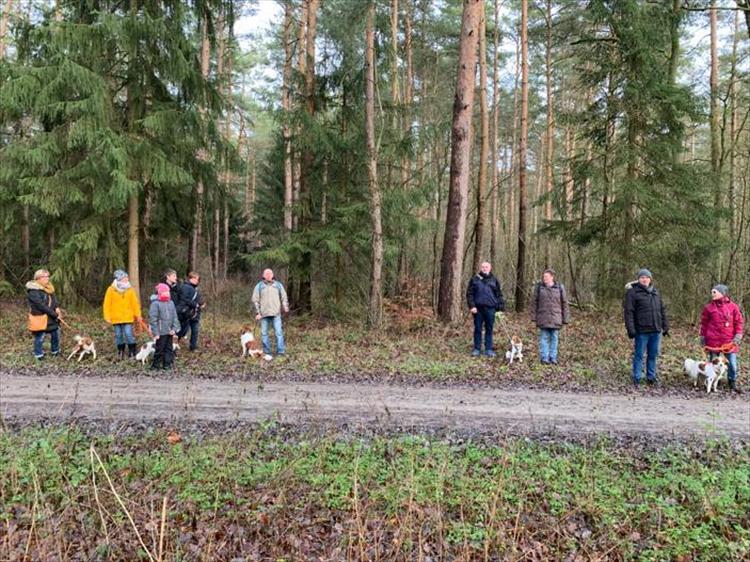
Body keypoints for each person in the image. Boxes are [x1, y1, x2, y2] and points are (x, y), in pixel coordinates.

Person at [623, 268, 669, 387]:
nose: (645, 279)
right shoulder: (632, 293)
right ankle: (637, 377)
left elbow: (662, 310)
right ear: (638, 279)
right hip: (641, 331)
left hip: (656, 330)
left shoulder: (655, 292)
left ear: (650, 279)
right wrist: (630, 329)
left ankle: (651, 377)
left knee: (653, 355)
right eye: (642, 277)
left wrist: (665, 326)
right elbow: (628, 312)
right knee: (639, 355)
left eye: (647, 277)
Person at [700, 284, 743, 393]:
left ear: (722, 293)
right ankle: (714, 381)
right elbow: (704, 324)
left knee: (732, 364)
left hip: (729, 342)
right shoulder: (708, 308)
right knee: (713, 363)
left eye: (715, 292)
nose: (712, 294)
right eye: (712, 292)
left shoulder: (733, 307)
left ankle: (732, 382)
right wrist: (703, 337)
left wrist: (738, 335)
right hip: (713, 342)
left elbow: (738, 322)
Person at [530, 269, 571, 365]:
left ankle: (553, 357)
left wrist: (565, 318)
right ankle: (544, 358)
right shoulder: (539, 287)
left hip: (556, 317)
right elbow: (534, 302)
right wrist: (533, 317)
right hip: (543, 317)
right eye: (544, 277)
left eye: (547, 277)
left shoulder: (560, 287)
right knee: (544, 338)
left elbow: (564, 303)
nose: (545, 278)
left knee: (554, 338)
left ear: (552, 277)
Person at [466, 261, 505, 357]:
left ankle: (489, 349)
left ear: (490, 268)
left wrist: (500, 307)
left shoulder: (494, 280)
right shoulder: (474, 279)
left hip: (491, 308)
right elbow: (469, 294)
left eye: (486, 267)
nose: (484, 268)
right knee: (478, 328)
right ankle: (477, 349)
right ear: (480, 268)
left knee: (489, 329)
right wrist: (472, 306)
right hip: (478, 309)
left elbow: (499, 294)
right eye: (483, 267)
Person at [102, 269, 142, 359]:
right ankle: (121, 351)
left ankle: (132, 351)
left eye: (127, 278)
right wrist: (107, 316)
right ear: (119, 279)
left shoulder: (130, 289)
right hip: (115, 317)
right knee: (118, 335)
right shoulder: (111, 290)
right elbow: (106, 304)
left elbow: (135, 303)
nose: (127, 279)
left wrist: (138, 314)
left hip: (128, 316)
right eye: (124, 278)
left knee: (128, 334)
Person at [252, 269, 289, 357]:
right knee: (264, 334)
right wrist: (258, 313)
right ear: (263, 275)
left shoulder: (278, 285)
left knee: (279, 333)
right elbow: (255, 300)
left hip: (276, 314)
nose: (268, 275)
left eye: (270, 273)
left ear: (273, 275)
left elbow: (284, 297)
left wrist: (285, 307)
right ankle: (267, 352)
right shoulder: (259, 286)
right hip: (264, 315)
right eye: (266, 274)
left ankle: (281, 352)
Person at [26, 269, 62, 360]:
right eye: (44, 277)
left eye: (48, 276)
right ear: (38, 278)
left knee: (55, 334)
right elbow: (41, 306)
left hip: (51, 317)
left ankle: (55, 351)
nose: (47, 278)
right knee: (40, 337)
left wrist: (57, 308)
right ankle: (38, 355)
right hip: (40, 317)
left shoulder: (49, 288)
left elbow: (54, 300)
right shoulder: (33, 291)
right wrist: (54, 314)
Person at [148, 283, 181, 370]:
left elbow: (175, 317)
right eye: (165, 292)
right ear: (159, 293)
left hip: (170, 331)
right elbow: (153, 319)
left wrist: (174, 329)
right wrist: (156, 332)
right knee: (160, 349)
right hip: (160, 331)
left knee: (169, 348)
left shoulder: (171, 303)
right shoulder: (155, 304)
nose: (167, 293)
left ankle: (167, 364)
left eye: (168, 292)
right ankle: (155, 365)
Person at [177, 271, 205, 351]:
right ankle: (173, 344)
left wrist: (201, 304)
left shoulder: (195, 288)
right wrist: (196, 305)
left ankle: (193, 347)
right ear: (191, 278)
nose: (197, 281)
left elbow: (197, 298)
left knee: (195, 330)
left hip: (195, 313)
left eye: (198, 279)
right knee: (182, 331)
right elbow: (184, 299)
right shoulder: (185, 287)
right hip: (187, 313)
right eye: (196, 279)